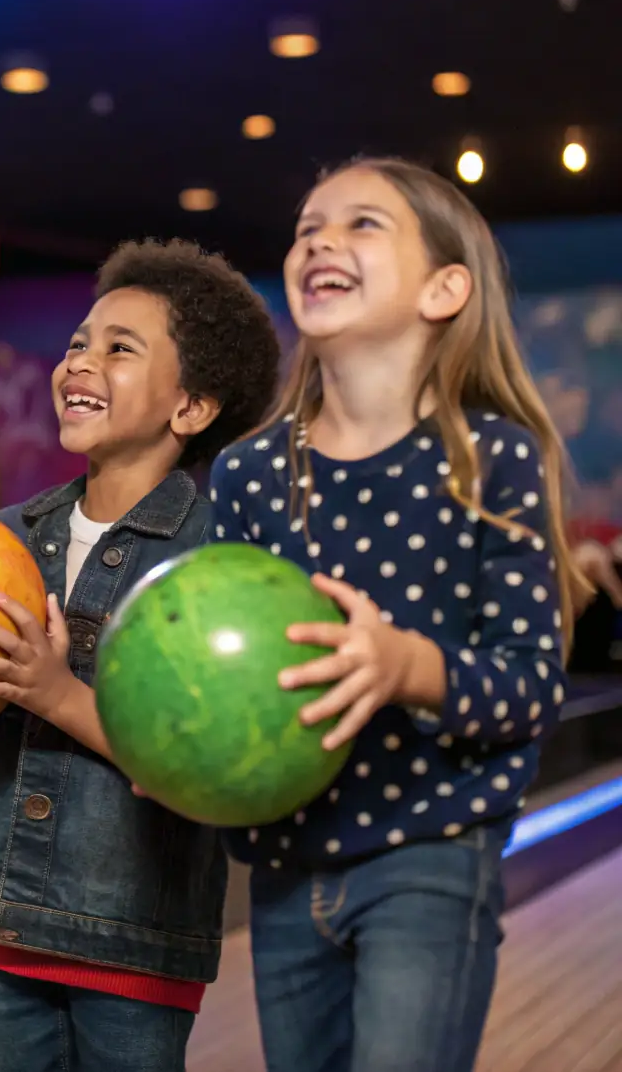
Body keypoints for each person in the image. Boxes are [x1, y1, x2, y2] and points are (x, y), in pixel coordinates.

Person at [210, 157, 590, 1072]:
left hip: (432, 849)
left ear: (445, 288)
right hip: (284, 861)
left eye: (362, 224)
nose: (320, 241)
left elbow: (531, 683)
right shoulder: (251, 473)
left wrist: (402, 664)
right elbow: (218, 665)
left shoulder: (491, 460)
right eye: (307, 227)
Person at [0, 239, 281, 1072]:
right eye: (77, 344)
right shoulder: (8, 537)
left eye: (119, 348)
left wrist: (55, 693)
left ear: (192, 408)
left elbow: (205, 758)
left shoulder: (215, 557)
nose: (79, 362)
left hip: (133, 934)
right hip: (6, 914)